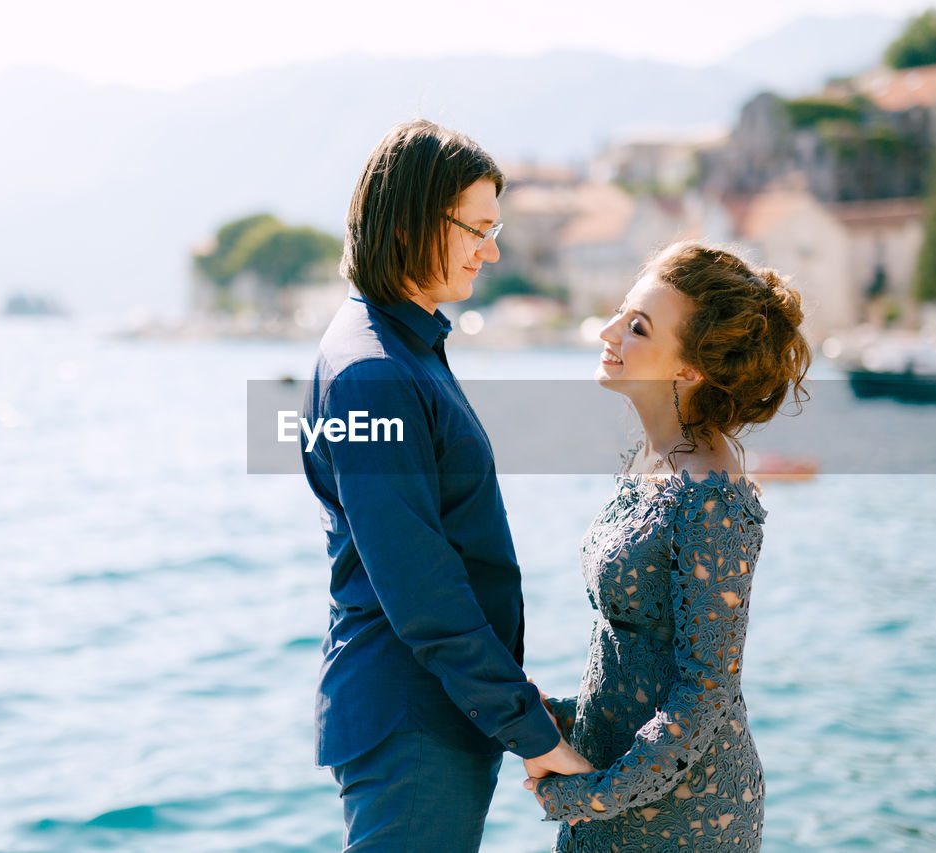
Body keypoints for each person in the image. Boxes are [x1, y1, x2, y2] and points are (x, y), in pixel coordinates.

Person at [300, 119, 594, 853]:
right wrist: (527, 728)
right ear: (413, 224)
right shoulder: (374, 372)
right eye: (479, 229)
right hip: (413, 721)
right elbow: (420, 584)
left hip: (433, 711)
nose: (492, 252)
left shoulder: (401, 345)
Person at [523, 242, 811, 851]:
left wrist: (588, 796)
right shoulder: (653, 458)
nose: (608, 331)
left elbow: (705, 694)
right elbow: (643, 651)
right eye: (622, 313)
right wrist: (566, 714)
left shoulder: (709, 496)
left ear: (687, 370)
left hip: (687, 815)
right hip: (623, 778)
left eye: (636, 327)